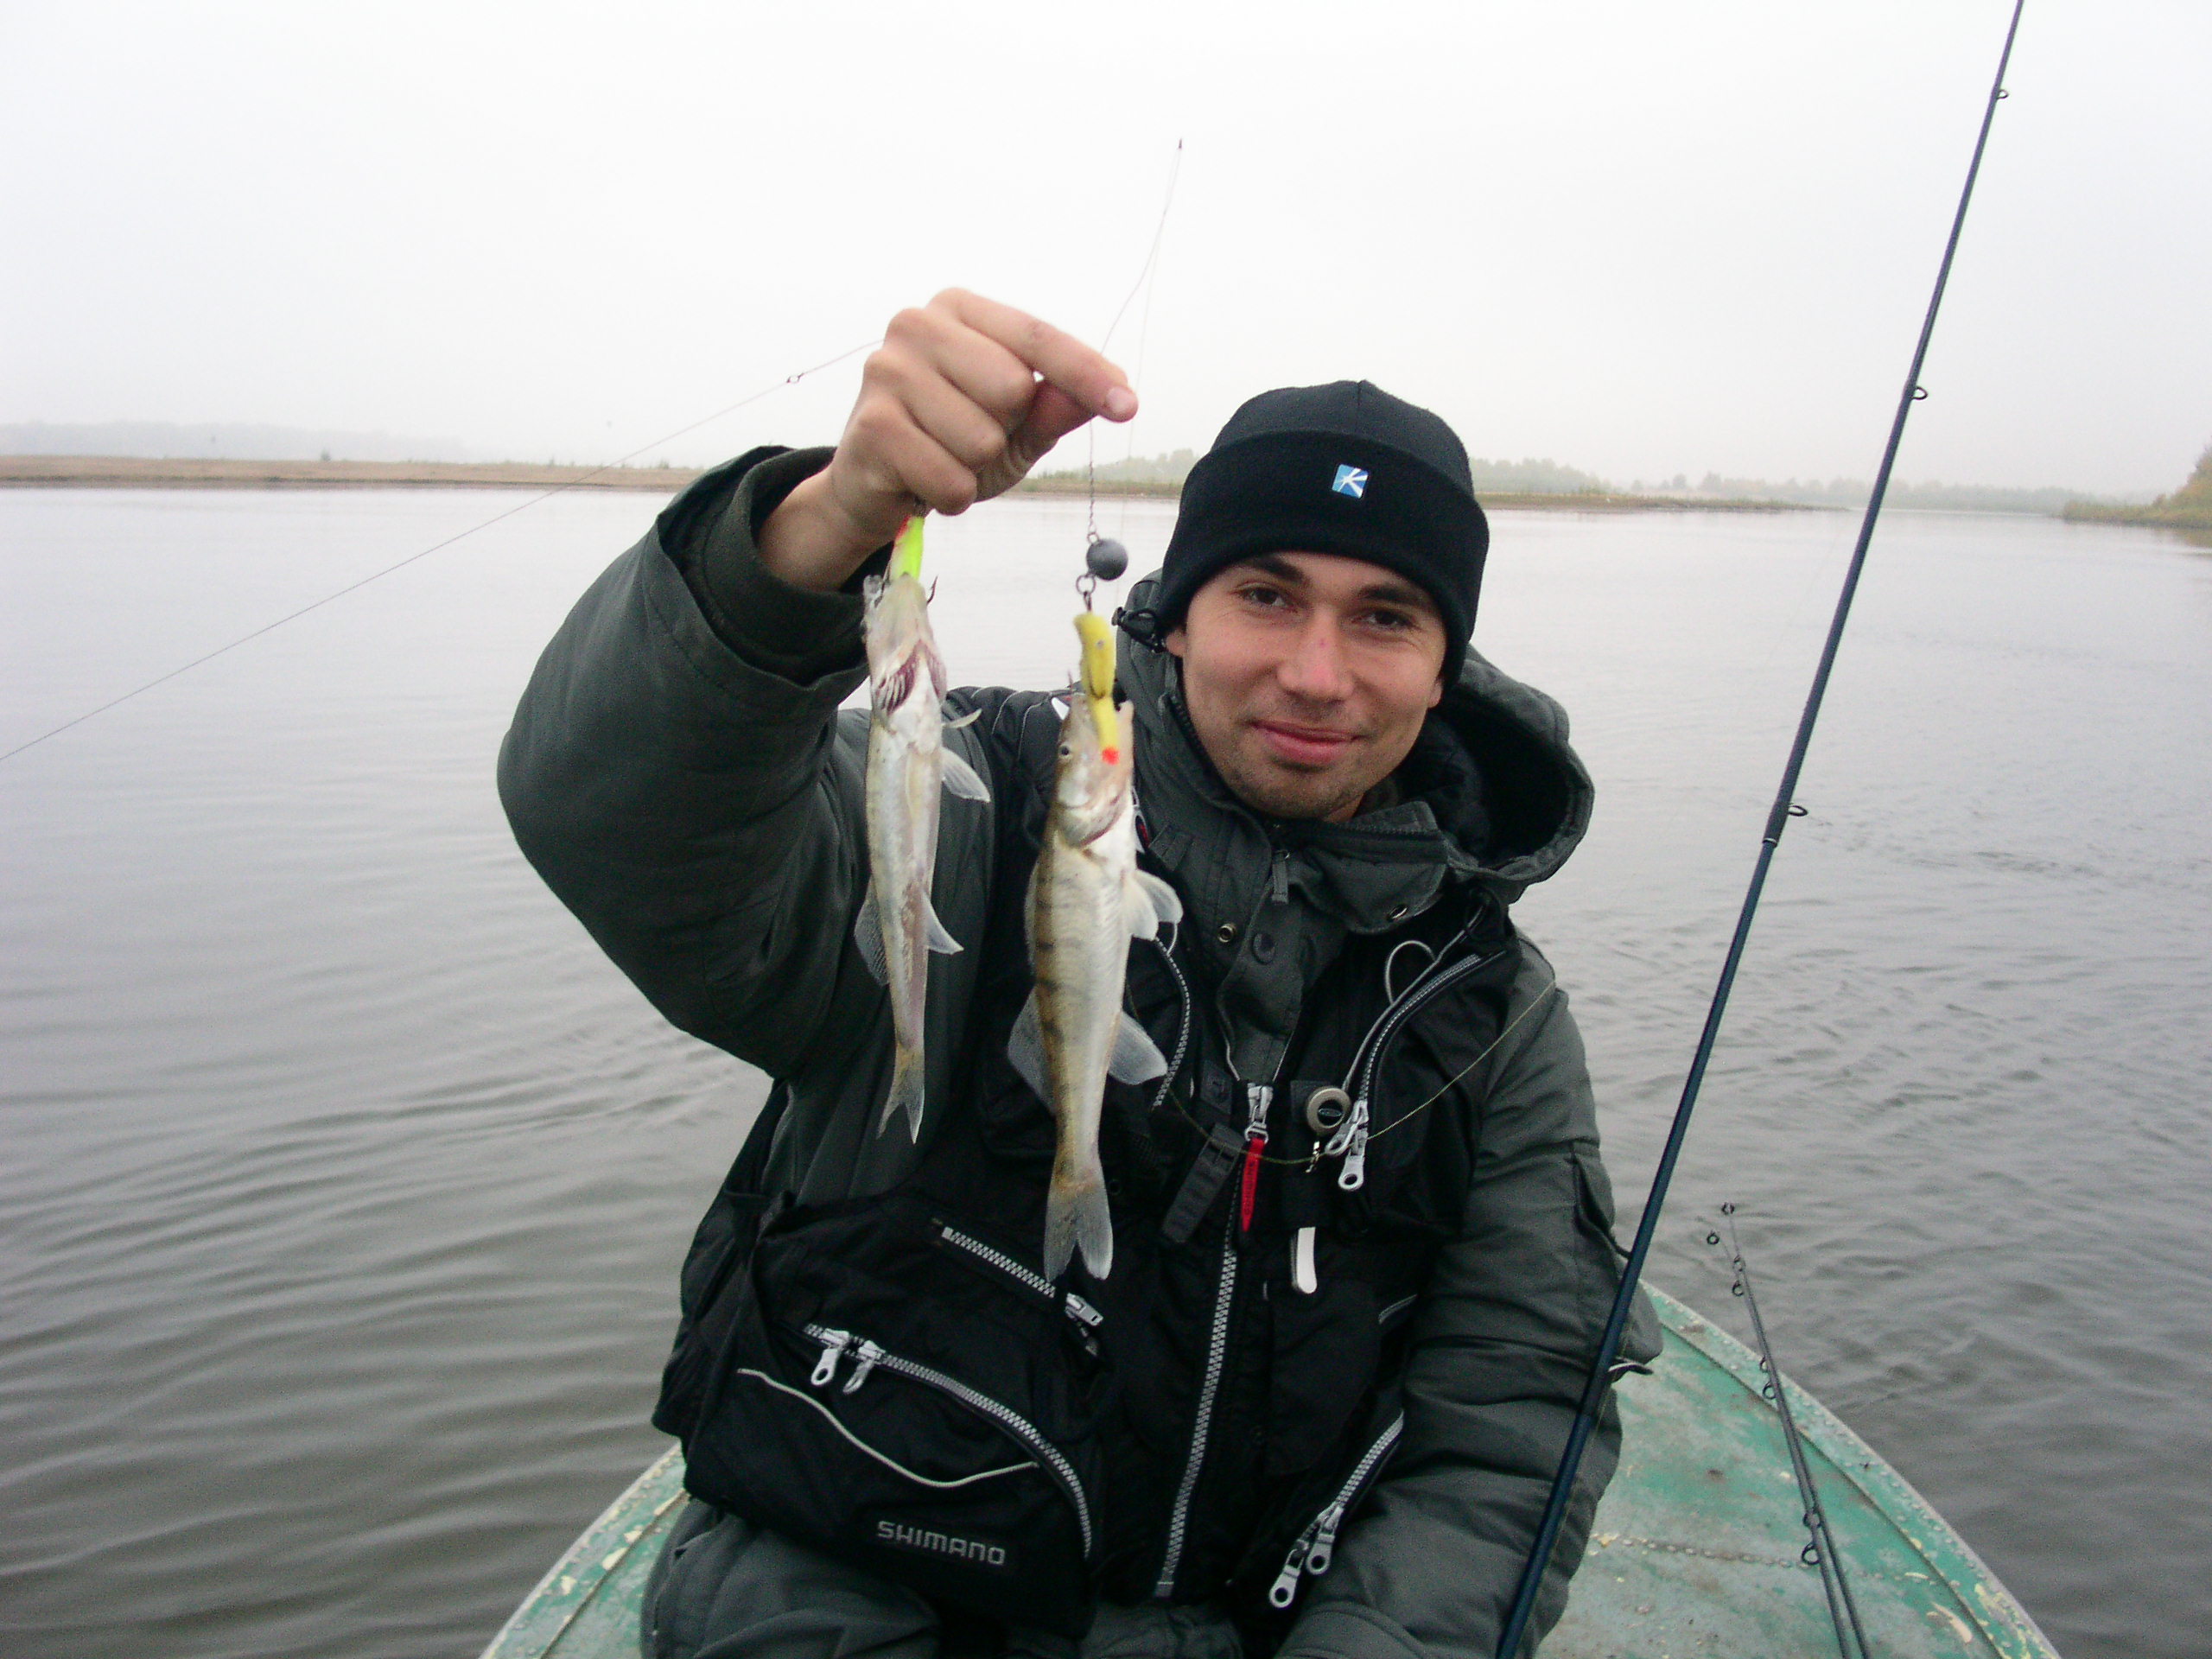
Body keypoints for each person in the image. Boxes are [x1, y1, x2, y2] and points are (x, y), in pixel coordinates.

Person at [499, 289, 1659, 1659]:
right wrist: (815, 531)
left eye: (1385, 617)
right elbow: (620, 822)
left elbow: (1513, 1414)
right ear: (1174, 617)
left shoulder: (1489, 1016)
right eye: (1267, 595)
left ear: (1444, 663)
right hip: (849, 1593)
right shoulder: (969, 811)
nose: (1315, 672)